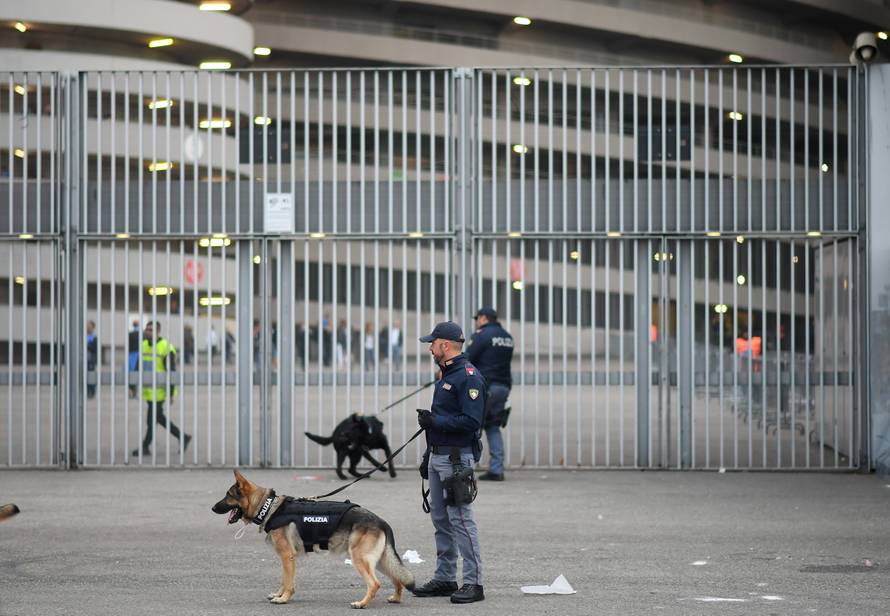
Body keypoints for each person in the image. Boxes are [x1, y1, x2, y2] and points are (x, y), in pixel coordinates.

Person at [413, 321, 486, 604]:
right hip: (439, 455)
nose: (430, 349)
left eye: (432, 344)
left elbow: (471, 421)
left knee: (461, 520)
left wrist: (436, 421)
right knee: (441, 519)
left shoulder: (468, 377)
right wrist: (428, 455)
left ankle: (474, 583)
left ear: (445, 345)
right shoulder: (447, 373)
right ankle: (445, 578)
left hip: (456, 458)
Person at [466, 307, 513, 481]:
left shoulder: (482, 335)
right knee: (492, 426)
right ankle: (496, 469)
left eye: (477, 318)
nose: (476, 321)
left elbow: (467, 359)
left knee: (471, 424)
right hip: (503, 387)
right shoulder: (507, 337)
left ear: (484, 318)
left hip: (486, 388)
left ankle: (464, 467)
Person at [133, 321, 191, 457]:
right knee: (158, 418)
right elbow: (138, 366)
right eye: (147, 329)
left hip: (161, 390)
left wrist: (170, 393)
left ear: (158, 331)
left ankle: (145, 446)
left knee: (151, 419)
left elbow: (171, 372)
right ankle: (183, 437)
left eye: (151, 330)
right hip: (148, 390)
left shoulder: (165, 347)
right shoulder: (143, 345)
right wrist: (132, 386)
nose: (147, 332)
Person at [85, 320, 98, 399]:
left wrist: (87, 345)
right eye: (87, 327)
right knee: (85, 375)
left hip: (91, 360)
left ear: (93, 328)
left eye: (89, 327)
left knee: (91, 375)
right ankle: (87, 391)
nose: (88, 328)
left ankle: (92, 391)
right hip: (84, 360)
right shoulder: (84, 336)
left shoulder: (94, 337)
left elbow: (94, 349)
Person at [128, 319, 140, 398]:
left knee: (131, 373)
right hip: (138, 355)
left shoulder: (130, 334)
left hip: (131, 355)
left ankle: (131, 391)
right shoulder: (141, 334)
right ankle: (135, 392)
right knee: (137, 373)